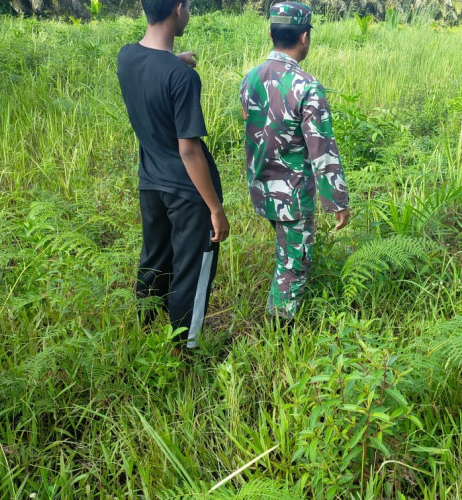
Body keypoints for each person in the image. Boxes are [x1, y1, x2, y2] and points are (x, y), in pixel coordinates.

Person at [117, 0, 229, 350]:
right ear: (177, 9)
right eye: (190, 6)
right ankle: (185, 350)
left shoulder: (126, 57)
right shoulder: (182, 78)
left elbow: (148, 70)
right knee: (191, 272)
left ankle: (146, 333)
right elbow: (189, 150)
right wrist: (215, 209)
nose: (190, 13)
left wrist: (172, 63)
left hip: (150, 183)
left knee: (154, 260)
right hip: (187, 193)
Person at [240, 1, 350, 321]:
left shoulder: (251, 78)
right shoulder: (306, 85)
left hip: (262, 186)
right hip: (292, 193)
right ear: (304, 37)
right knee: (293, 268)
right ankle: (280, 334)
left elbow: (256, 130)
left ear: (273, 33)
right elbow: (322, 149)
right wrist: (337, 200)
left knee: (285, 253)